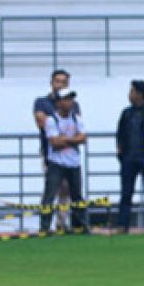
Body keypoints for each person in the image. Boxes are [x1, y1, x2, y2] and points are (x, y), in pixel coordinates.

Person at [34, 69, 81, 232]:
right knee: (51, 189)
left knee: (69, 191)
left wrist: (64, 138)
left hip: (71, 156)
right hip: (50, 153)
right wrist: (67, 137)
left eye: (64, 81)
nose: (60, 84)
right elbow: (42, 122)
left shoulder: (74, 105)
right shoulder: (41, 102)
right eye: (57, 81)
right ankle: (45, 226)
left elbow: (80, 132)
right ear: (51, 83)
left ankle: (63, 223)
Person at [39, 88, 89, 234]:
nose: (70, 102)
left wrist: (65, 139)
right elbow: (54, 142)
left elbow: (83, 138)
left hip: (73, 163)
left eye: (71, 99)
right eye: (66, 99)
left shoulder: (76, 118)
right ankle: (45, 227)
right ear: (59, 102)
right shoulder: (51, 120)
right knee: (50, 194)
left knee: (77, 195)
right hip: (56, 163)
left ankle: (80, 225)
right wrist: (74, 140)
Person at [116, 79, 144, 233]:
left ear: (140, 94)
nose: (130, 95)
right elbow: (120, 134)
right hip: (129, 159)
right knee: (126, 193)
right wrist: (121, 152)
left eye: (132, 92)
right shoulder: (127, 113)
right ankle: (122, 225)